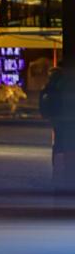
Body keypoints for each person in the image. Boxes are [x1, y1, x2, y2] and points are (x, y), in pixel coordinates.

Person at [39, 57, 75, 198]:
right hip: (69, 121)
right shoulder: (68, 81)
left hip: (58, 120)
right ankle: (67, 176)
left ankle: (59, 174)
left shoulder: (55, 80)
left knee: (59, 146)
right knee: (68, 147)